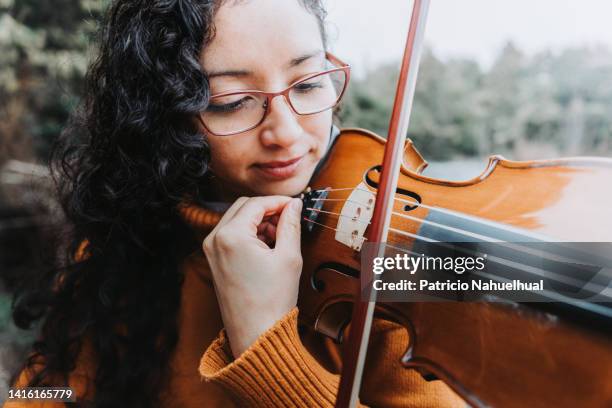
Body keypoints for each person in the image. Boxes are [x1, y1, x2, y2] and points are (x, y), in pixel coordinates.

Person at [6, 0, 465, 407]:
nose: (285, 133)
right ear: (166, 115)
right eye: (233, 102)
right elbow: (46, 390)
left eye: (307, 84)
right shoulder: (121, 244)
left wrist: (267, 348)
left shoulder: (385, 263)